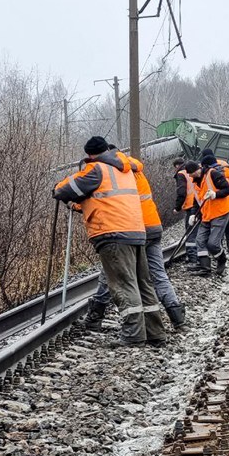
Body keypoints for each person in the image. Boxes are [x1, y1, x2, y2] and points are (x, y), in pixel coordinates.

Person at [53, 136, 166, 348]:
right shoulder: (124, 170)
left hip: (113, 233)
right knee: (143, 283)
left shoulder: (96, 169)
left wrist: (58, 188)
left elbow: (67, 189)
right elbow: (106, 198)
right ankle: (155, 332)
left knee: (123, 284)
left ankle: (133, 335)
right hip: (136, 231)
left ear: (89, 155)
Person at [92, 146, 185, 330]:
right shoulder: (135, 169)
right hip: (153, 226)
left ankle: (96, 315)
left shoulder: (115, 174)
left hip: (132, 229)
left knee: (110, 272)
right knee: (158, 274)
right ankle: (177, 316)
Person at [190, 154, 229, 276]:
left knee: (213, 244)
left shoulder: (212, 174)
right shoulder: (195, 183)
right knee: (199, 241)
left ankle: (222, 259)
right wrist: (193, 214)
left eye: (191, 173)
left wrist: (215, 194)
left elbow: (227, 189)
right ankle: (205, 269)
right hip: (206, 215)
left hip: (219, 213)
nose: (190, 176)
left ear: (197, 170)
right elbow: (196, 201)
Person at [173, 157, 198, 265]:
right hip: (199, 203)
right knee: (197, 231)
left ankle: (193, 258)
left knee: (190, 232)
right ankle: (198, 256)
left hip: (191, 205)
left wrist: (177, 207)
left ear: (177, 166)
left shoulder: (181, 174)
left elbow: (182, 192)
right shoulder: (193, 170)